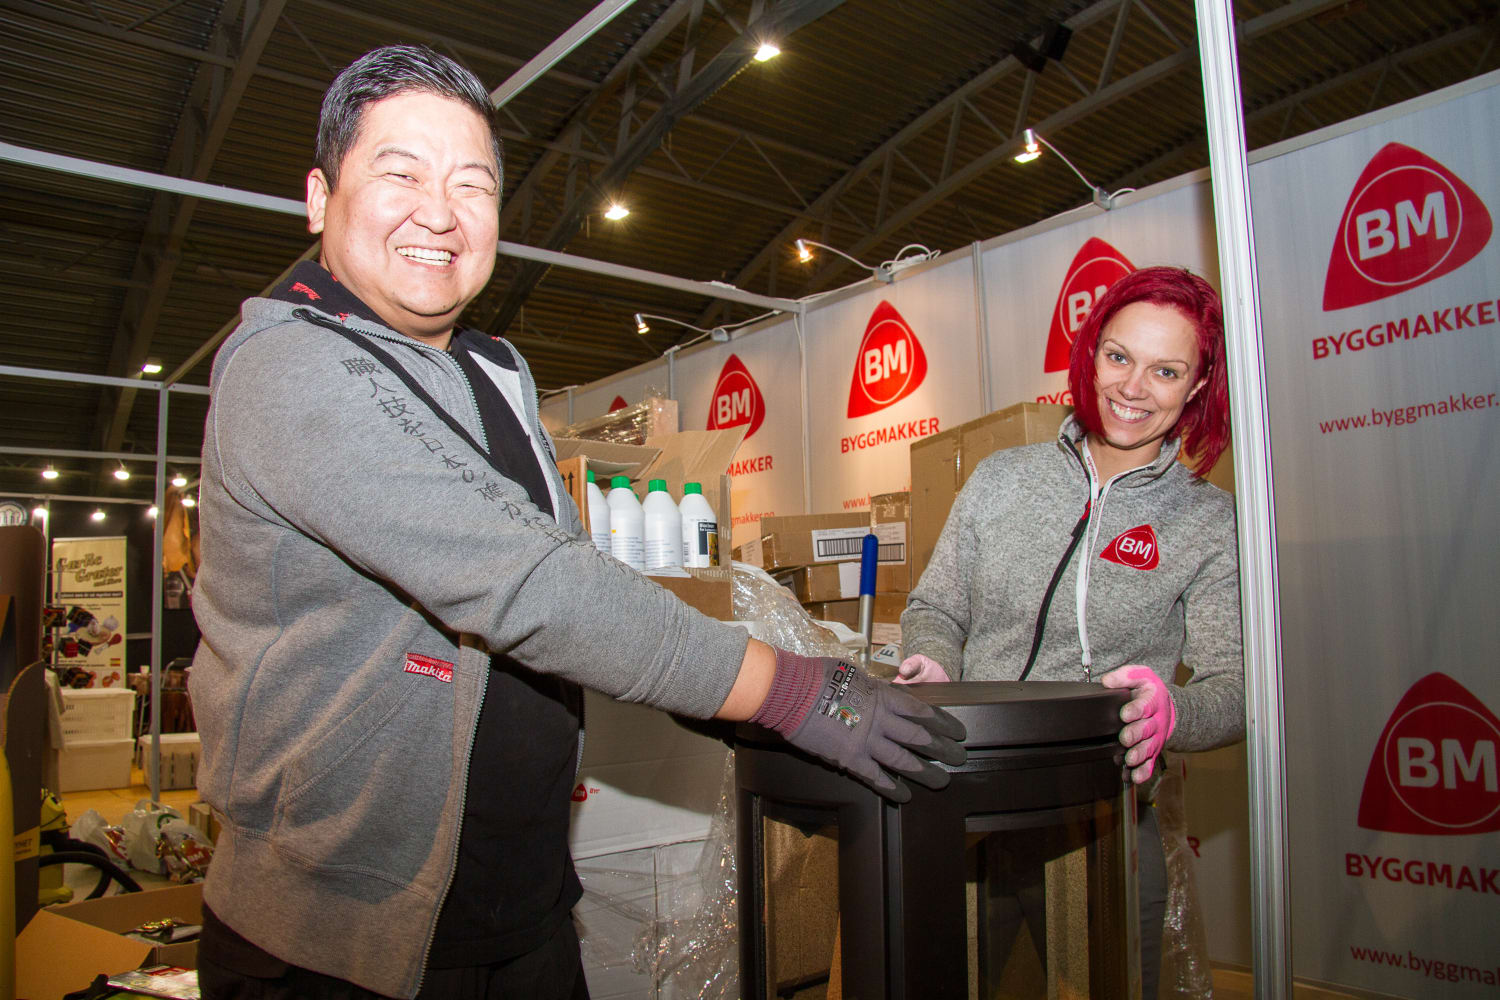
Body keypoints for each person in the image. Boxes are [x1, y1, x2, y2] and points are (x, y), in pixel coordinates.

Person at [190, 44, 964, 1000]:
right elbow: (526, 584)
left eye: (472, 185)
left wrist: (717, 701)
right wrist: (792, 693)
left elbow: (575, 577)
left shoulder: (494, 372)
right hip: (342, 942)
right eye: (401, 174)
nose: (440, 212)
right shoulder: (289, 366)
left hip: (523, 912)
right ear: (320, 198)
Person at [896, 266, 1244, 1000]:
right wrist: (932, 659)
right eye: (1119, 357)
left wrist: (1174, 713)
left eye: (1166, 371)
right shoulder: (1001, 478)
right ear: (1090, 356)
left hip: (1103, 817)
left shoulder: (1209, 522)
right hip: (965, 798)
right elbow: (937, 607)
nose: (1133, 387)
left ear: (1197, 388)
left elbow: (1235, 689)